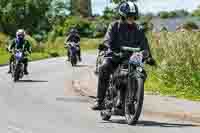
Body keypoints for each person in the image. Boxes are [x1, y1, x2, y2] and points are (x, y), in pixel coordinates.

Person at [92, 1, 156, 110]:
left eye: (133, 16)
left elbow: (144, 46)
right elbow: (107, 40)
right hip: (114, 56)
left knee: (142, 73)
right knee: (104, 67)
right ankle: (100, 100)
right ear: (122, 16)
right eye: (129, 16)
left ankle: (129, 100)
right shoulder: (114, 26)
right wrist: (106, 46)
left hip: (131, 58)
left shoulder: (138, 29)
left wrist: (148, 56)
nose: (131, 18)